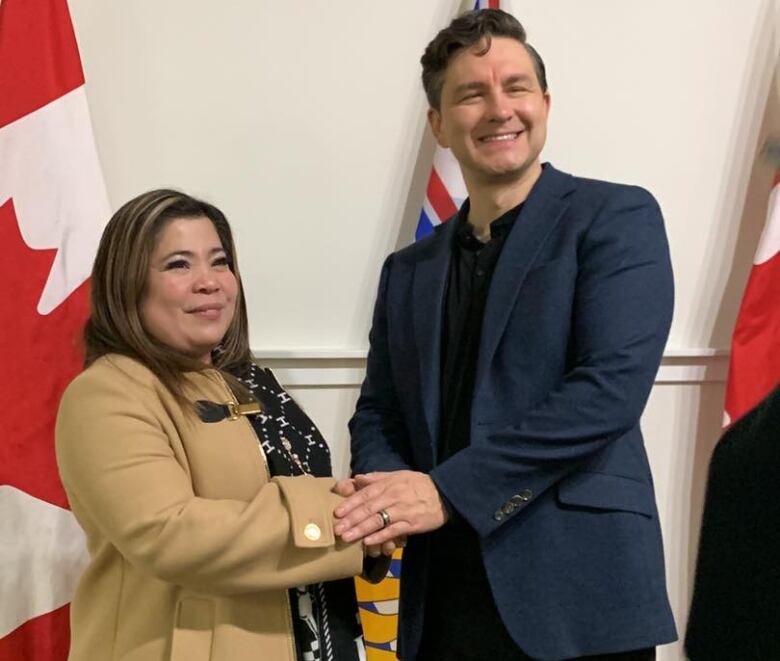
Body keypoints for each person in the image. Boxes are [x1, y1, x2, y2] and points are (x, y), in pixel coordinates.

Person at [333, 9, 677, 661]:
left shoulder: (616, 217)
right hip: (444, 596)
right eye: (471, 93)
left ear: (544, 103)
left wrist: (440, 491)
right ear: (438, 122)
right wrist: (384, 495)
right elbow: (379, 409)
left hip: (576, 592)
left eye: (516, 87)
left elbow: (606, 393)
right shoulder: (407, 270)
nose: (500, 109)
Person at [55, 189, 386, 661]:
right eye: (178, 265)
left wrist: (371, 525)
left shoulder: (252, 382)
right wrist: (347, 519)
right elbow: (170, 535)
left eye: (219, 261)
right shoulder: (106, 393)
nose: (209, 282)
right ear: (127, 284)